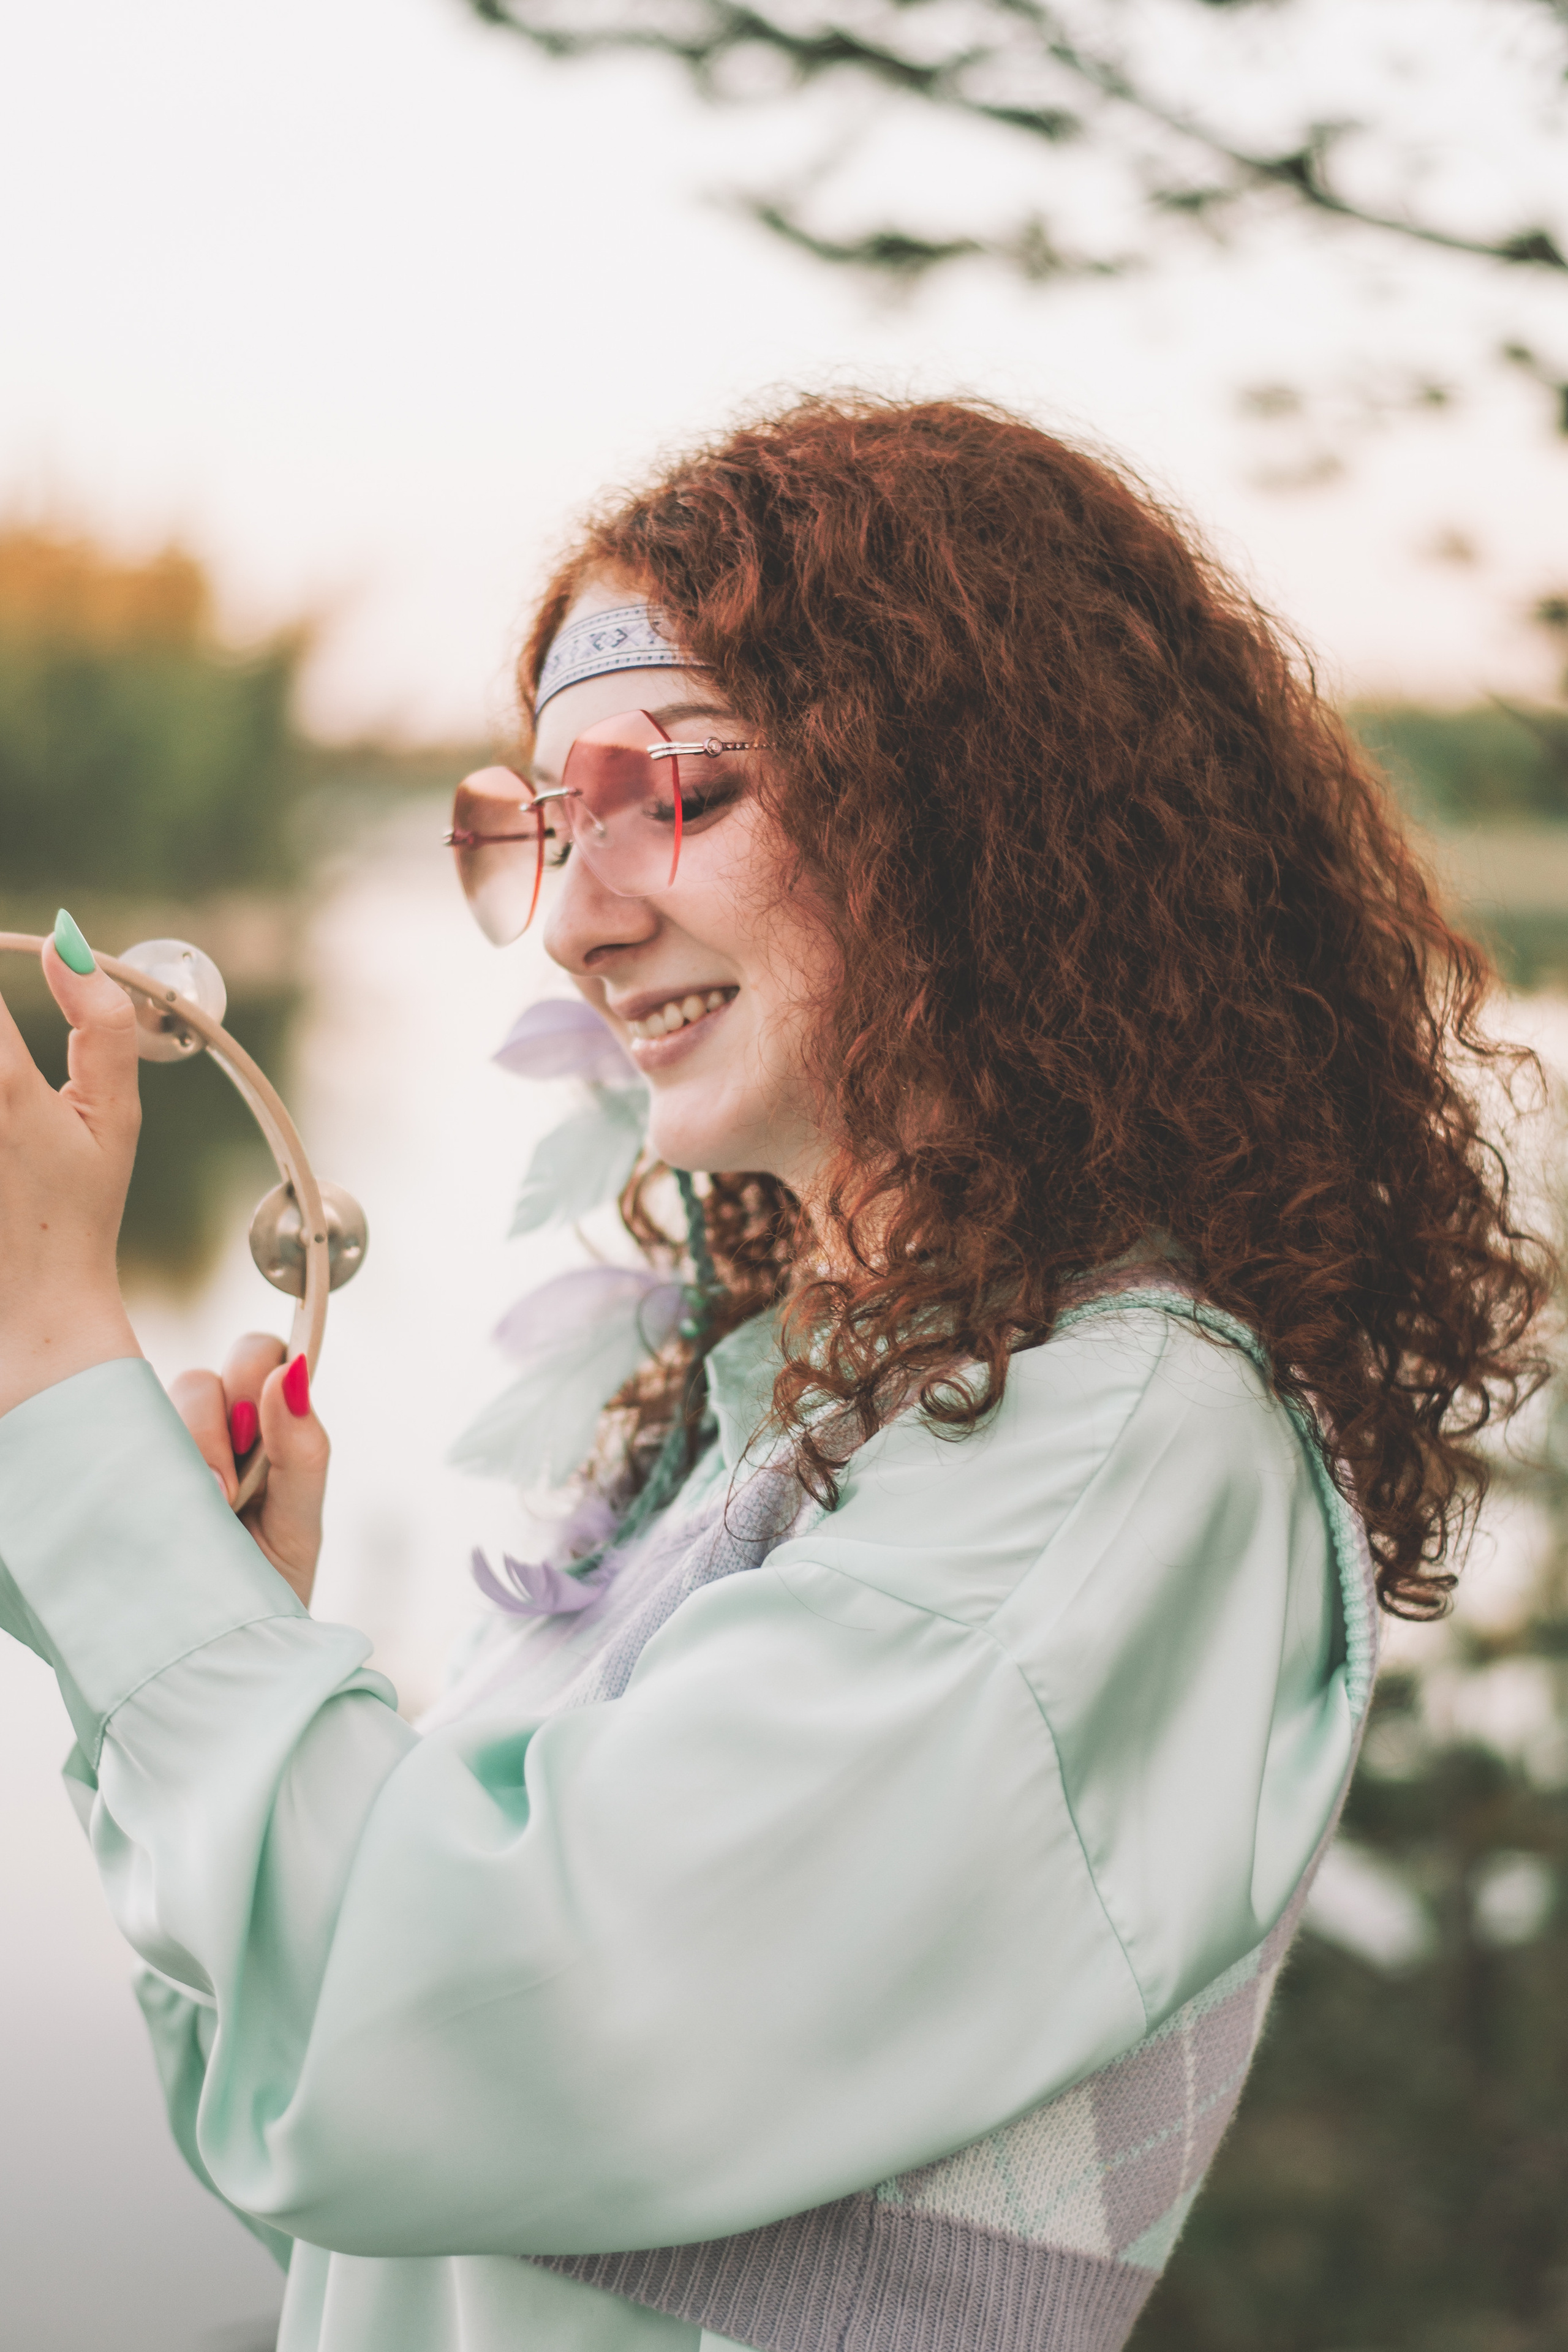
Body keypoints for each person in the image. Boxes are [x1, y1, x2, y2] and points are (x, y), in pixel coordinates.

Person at [0, 396, 1550, 2352]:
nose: (570, 913)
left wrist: (59, 1368)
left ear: (983, 797)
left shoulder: (1114, 1455)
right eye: (542, 825)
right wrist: (177, 1607)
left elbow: (434, 2042)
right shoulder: (786, 1435)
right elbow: (328, 2146)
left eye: (681, 793)